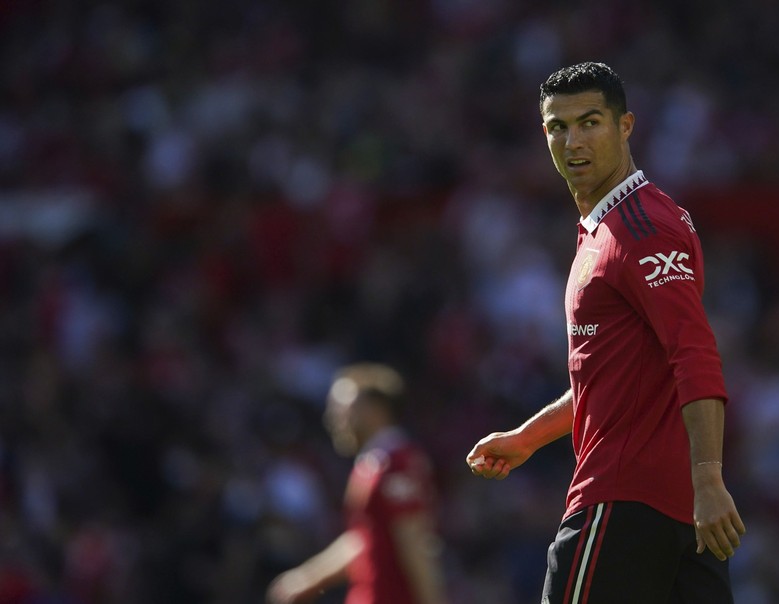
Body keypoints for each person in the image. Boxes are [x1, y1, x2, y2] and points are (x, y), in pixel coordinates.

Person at [466, 62, 746, 603]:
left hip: (622, 502)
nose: (572, 141)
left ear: (626, 126)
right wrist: (528, 437)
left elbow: (694, 352)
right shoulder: (617, 227)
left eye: (590, 121)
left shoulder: (639, 229)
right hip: (679, 515)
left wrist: (710, 480)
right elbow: (620, 373)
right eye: (557, 126)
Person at [267, 363, 447, 604]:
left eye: (344, 407)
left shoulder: (397, 463)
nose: (334, 418)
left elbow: (413, 540)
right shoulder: (373, 463)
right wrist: (308, 578)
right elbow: (364, 540)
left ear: (375, 410)